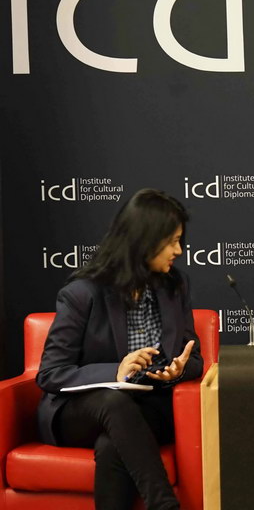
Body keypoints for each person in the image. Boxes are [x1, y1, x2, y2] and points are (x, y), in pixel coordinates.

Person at [36, 188, 203, 510]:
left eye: (179, 241)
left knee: (113, 445)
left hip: (149, 406)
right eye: (171, 242)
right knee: (114, 402)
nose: (179, 250)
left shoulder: (175, 286)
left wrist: (178, 371)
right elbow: (51, 373)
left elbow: (194, 357)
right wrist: (117, 371)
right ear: (144, 241)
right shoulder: (82, 293)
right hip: (83, 412)